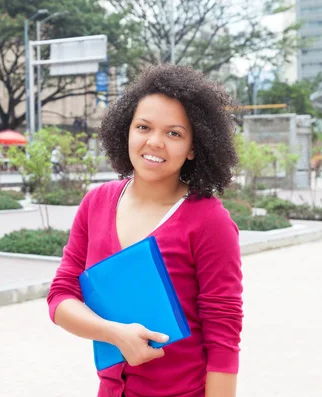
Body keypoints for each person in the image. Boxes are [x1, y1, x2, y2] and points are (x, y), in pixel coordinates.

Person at [47, 64, 243, 397]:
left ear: (194, 147)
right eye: (143, 127)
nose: (154, 142)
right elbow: (61, 296)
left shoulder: (210, 221)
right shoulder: (96, 203)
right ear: (126, 130)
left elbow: (223, 341)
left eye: (174, 133)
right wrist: (114, 333)